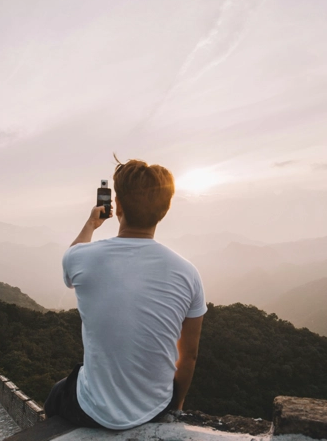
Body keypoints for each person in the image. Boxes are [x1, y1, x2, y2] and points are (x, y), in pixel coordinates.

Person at [44, 158, 207, 430]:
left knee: (56, 396)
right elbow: (188, 355)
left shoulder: (80, 257)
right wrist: (175, 407)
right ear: (165, 210)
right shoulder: (188, 273)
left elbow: (71, 260)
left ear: (117, 205)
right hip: (156, 407)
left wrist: (91, 224)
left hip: (92, 410)